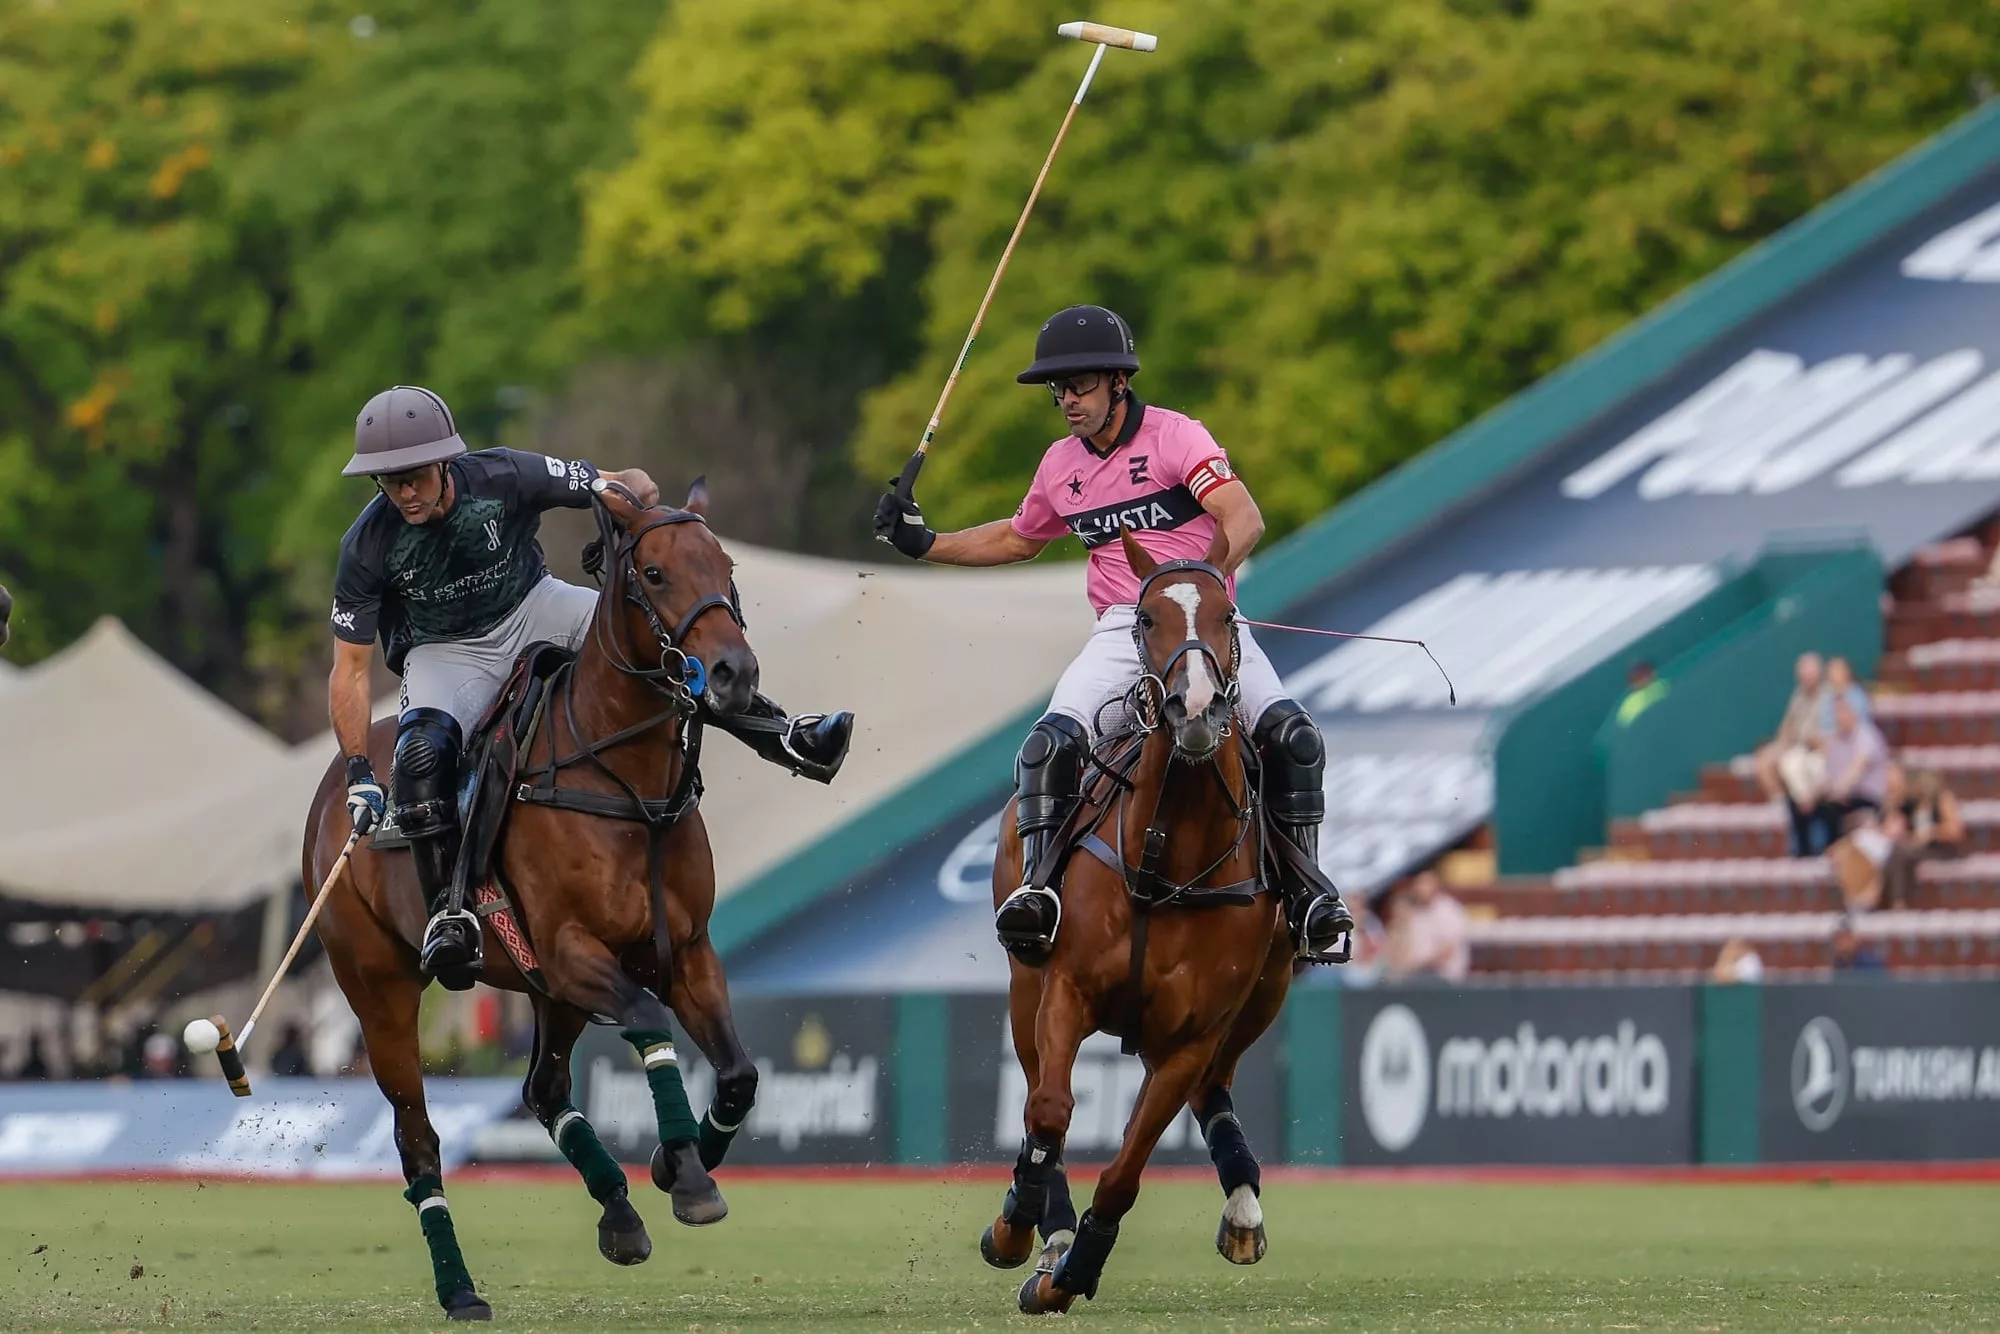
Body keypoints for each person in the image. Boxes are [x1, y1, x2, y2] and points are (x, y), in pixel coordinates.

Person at [330, 386, 855, 989]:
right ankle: (450, 912)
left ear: (446, 461)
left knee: (656, 638)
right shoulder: (366, 546)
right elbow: (348, 671)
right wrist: (358, 773)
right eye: (389, 482)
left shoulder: (504, 474)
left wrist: (629, 496)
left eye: (415, 477)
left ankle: (784, 737)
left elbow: (619, 482)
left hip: (534, 606)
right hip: (446, 652)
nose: (405, 494)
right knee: (419, 756)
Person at [872, 307, 1350, 962]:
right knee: (1048, 745)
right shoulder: (1060, 465)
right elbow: (1019, 537)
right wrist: (925, 542)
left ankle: (1309, 899)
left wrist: (1201, 593)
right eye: (1059, 389)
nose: (1068, 399)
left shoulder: (1177, 438)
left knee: (1294, 738)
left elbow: (1244, 516)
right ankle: (1038, 892)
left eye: (1081, 385)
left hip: (1202, 620)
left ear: (1118, 382)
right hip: (1125, 625)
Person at [1788, 697, 1888, 855]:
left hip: (1865, 797)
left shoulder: (1866, 736)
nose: (1840, 716)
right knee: (1797, 804)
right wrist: (1811, 796)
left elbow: (1856, 770)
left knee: (1832, 807)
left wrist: (1837, 791)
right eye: (1837, 713)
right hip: (1838, 795)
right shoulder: (1833, 741)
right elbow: (1827, 777)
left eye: (1844, 712)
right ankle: (1804, 854)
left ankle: (1835, 851)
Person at [1882, 766, 1966, 908]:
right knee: (1897, 851)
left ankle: (1898, 902)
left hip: (1942, 848)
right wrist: (1893, 800)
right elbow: (1892, 828)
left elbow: (1955, 831)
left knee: (1901, 851)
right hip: (1918, 848)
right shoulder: (1910, 803)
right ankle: (1895, 900)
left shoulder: (1942, 799)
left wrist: (1932, 833)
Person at [1755, 652, 1826, 814]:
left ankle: (1802, 805)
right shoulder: (1798, 695)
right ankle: (1780, 805)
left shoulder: (1827, 697)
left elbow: (1823, 736)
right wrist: (1782, 744)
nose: (1807, 679)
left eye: (1811, 674)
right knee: (1764, 759)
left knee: (1793, 763)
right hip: (1794, 744)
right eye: (1804, 675)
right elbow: (1787, 726)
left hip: (1814, 748)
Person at [1384, 869, 1470, 982]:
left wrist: (1417, 964)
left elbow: (1447, 952)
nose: (1422, 889)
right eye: (1419, 885)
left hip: (1442, 975)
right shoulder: (1415, 912)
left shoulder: (1448, 911)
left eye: (1426, 885)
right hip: (1415, 974)